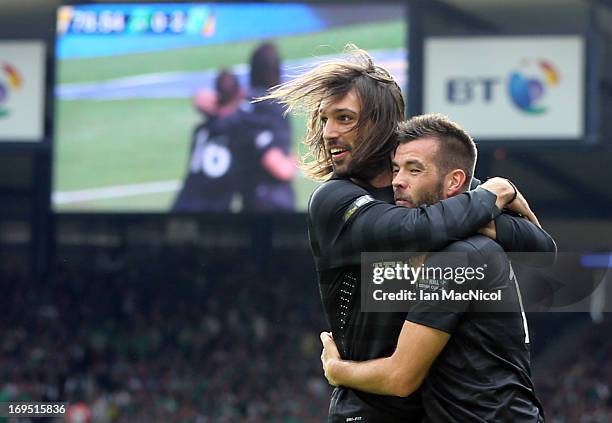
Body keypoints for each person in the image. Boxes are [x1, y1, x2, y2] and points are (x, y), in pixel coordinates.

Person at [263, 45, 555, 422]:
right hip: (369, 409)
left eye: (344, 118)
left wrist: (476, 211)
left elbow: (540, 248)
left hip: (433, 408)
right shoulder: (335, 199)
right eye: (325, 120)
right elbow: (414, 231)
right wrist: (494, 194)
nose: (329, 133)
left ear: (381, 124)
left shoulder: (422, 185)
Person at [319, 114, 545, 422]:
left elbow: (400, 378)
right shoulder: (468, 242)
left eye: (414, 169)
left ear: (455, 182)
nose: (398, 180)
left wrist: (336, 370)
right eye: (396, 168)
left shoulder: (457, 257)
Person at [193, 42, 296, 212]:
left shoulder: (243, 106)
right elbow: (281, 168)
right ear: (277, 70)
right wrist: (292, 163)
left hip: (250, 198)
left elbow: (203, 101)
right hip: (277, 201)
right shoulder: (277, 107)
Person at [173, 70, 245, 212]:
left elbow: (200, 99)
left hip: (183, 205)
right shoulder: (240, 129)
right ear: (238, 94)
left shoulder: (202, 129)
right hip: (214, 213)